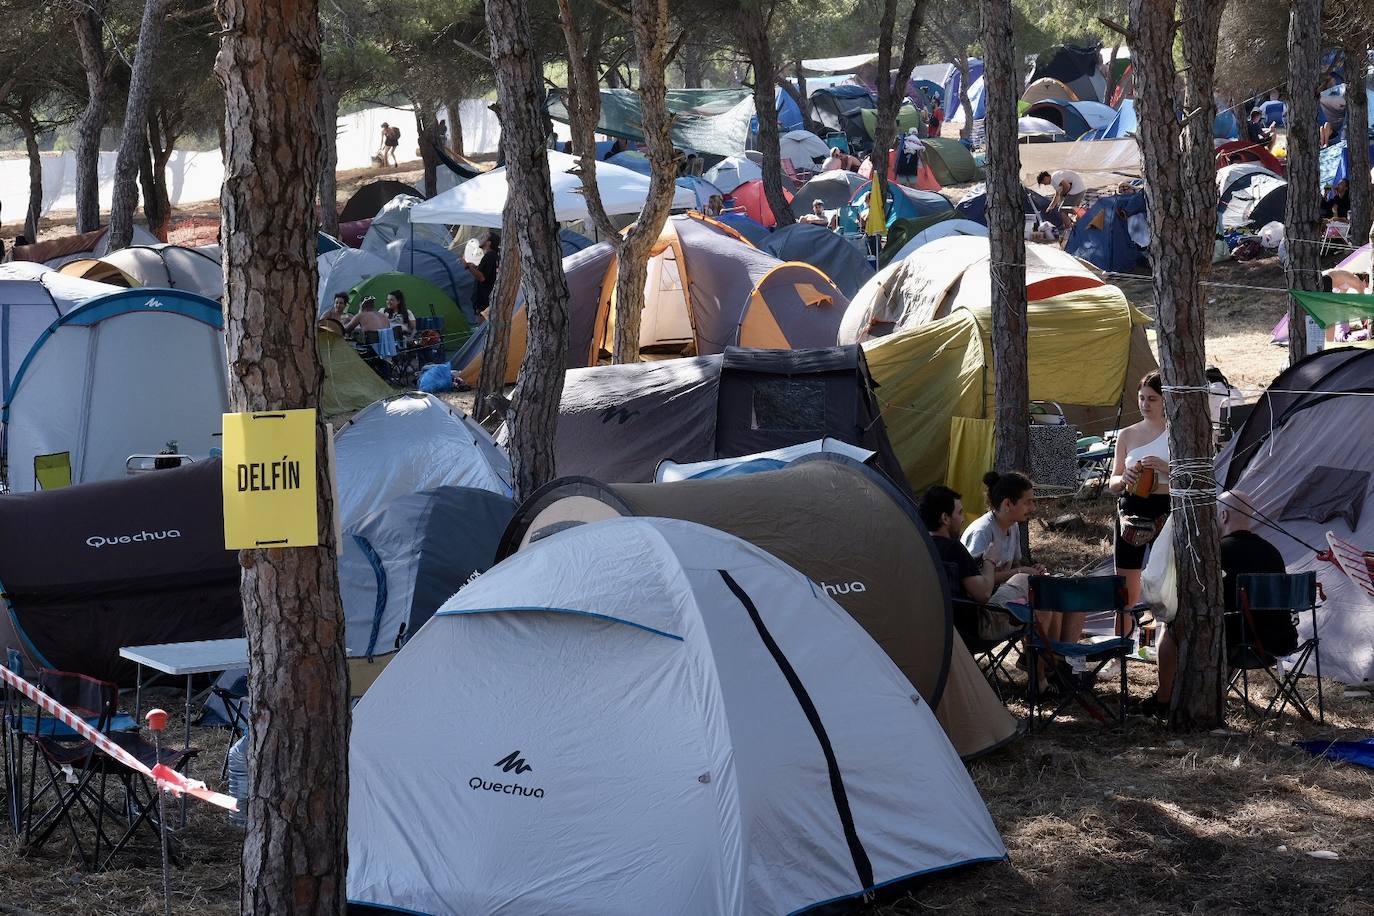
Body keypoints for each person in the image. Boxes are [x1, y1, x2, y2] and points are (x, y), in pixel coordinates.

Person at [1140, 490, 1295, 719]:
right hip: (1277, 642)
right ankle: (1217, 693)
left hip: (1236, 641)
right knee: (1234, 623)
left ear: (1222, 517)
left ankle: (1164, 698)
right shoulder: (1274, 553)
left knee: (1170, 626)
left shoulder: (1218, 553)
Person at [1108, 371, 1171, 613]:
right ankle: (1121, 644)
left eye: (1152, 398)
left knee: (1162, 582)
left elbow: (1194, 480)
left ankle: (1161, 640)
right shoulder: (1128, 434)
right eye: (1142, 398)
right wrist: (1124, 478)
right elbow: (1113, 482)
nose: (1145, 404)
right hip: (1132, 510)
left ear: (1166, 399)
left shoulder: (1177, 433)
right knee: (1125, 587)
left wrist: (1166, 468)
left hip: (1166, 509)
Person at [465, 230, 500, 317]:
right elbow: (488, 274)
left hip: (484, 302)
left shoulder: (489, 256)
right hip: (489, 300)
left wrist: (468, 266)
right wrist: (474, 267)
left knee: (484, 327)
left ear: (488, 242)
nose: (480, 238)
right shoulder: (494, 256)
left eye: (484, 237)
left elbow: (482, 277)